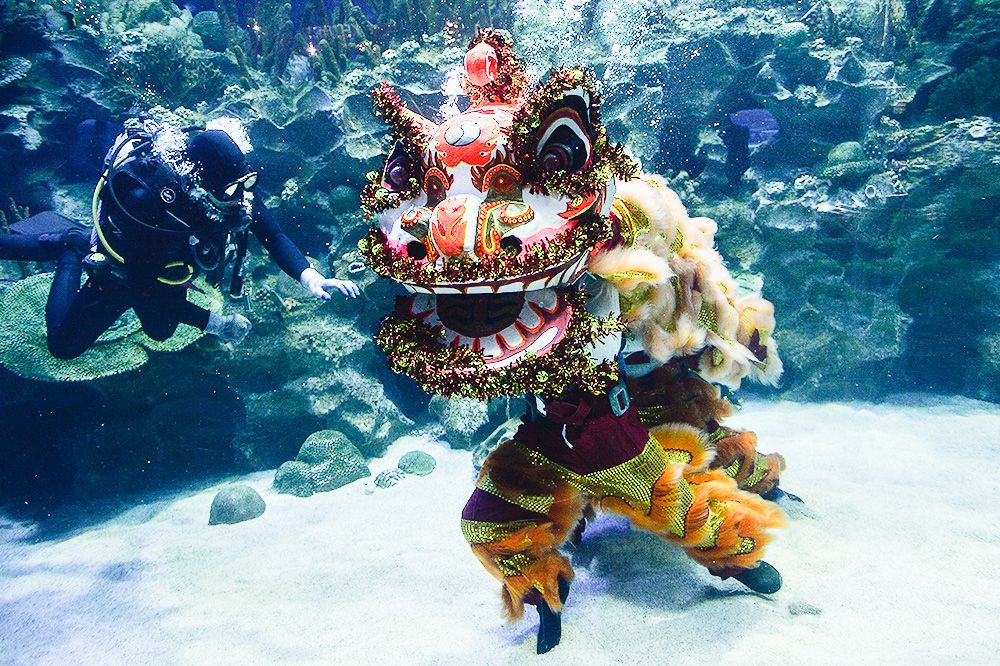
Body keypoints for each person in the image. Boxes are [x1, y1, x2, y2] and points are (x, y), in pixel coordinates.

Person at [0, 118, 359, 359]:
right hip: (127, 268)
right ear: (200, 182)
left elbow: (273, 235)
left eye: (247, 183)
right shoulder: (151, 206)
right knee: (63, 346)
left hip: (164, 268)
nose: (241, 196)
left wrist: (310, 277)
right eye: (232, 189)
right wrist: (215, 323)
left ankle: (72, 241)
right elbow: (146, 290)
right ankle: (71, 247)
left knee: (160, 332)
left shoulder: (234, 187)